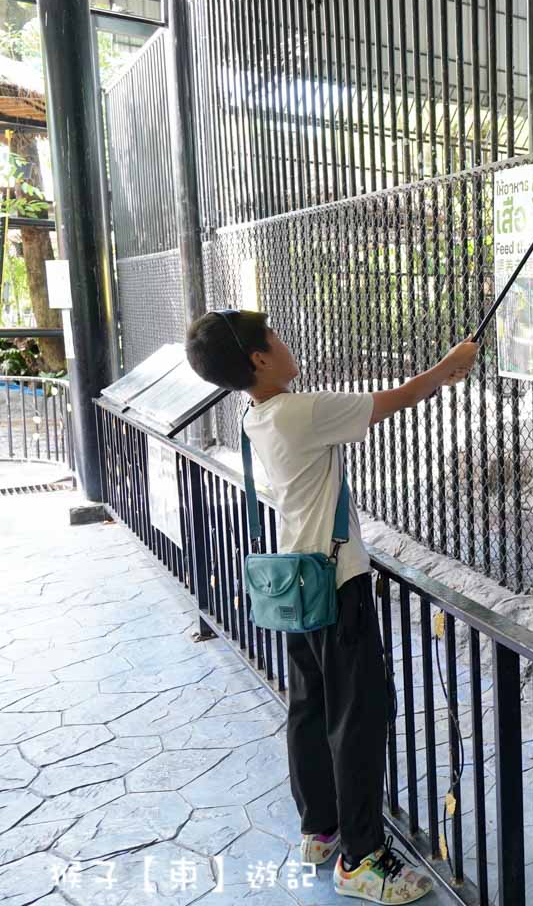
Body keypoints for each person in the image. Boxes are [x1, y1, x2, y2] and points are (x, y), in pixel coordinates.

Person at [185, 309, 477, 905]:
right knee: (359, 720)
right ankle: (362, 858)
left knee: (311, 709)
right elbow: (392, 400)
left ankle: (320, 829)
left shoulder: (257, 414)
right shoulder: (300, 411)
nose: (284, 341)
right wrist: (447, 368)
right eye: (274, 337)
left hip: (298, 583)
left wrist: (443, 371)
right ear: (259, 359)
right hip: (336, 582)